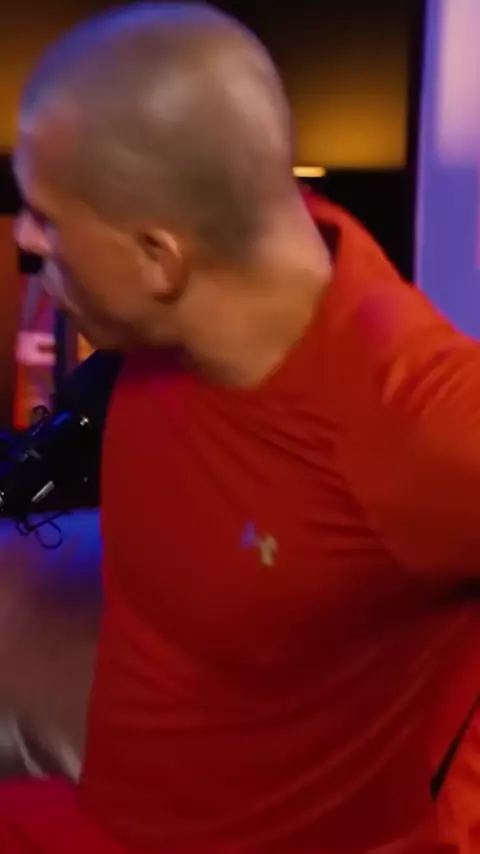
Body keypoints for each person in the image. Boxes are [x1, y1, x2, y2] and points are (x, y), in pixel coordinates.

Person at [7, 2, 480, 852]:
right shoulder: (220, 262)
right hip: (102, 817)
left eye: (47, 218)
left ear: (158, 257)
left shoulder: (412, 416)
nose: (24, 237)